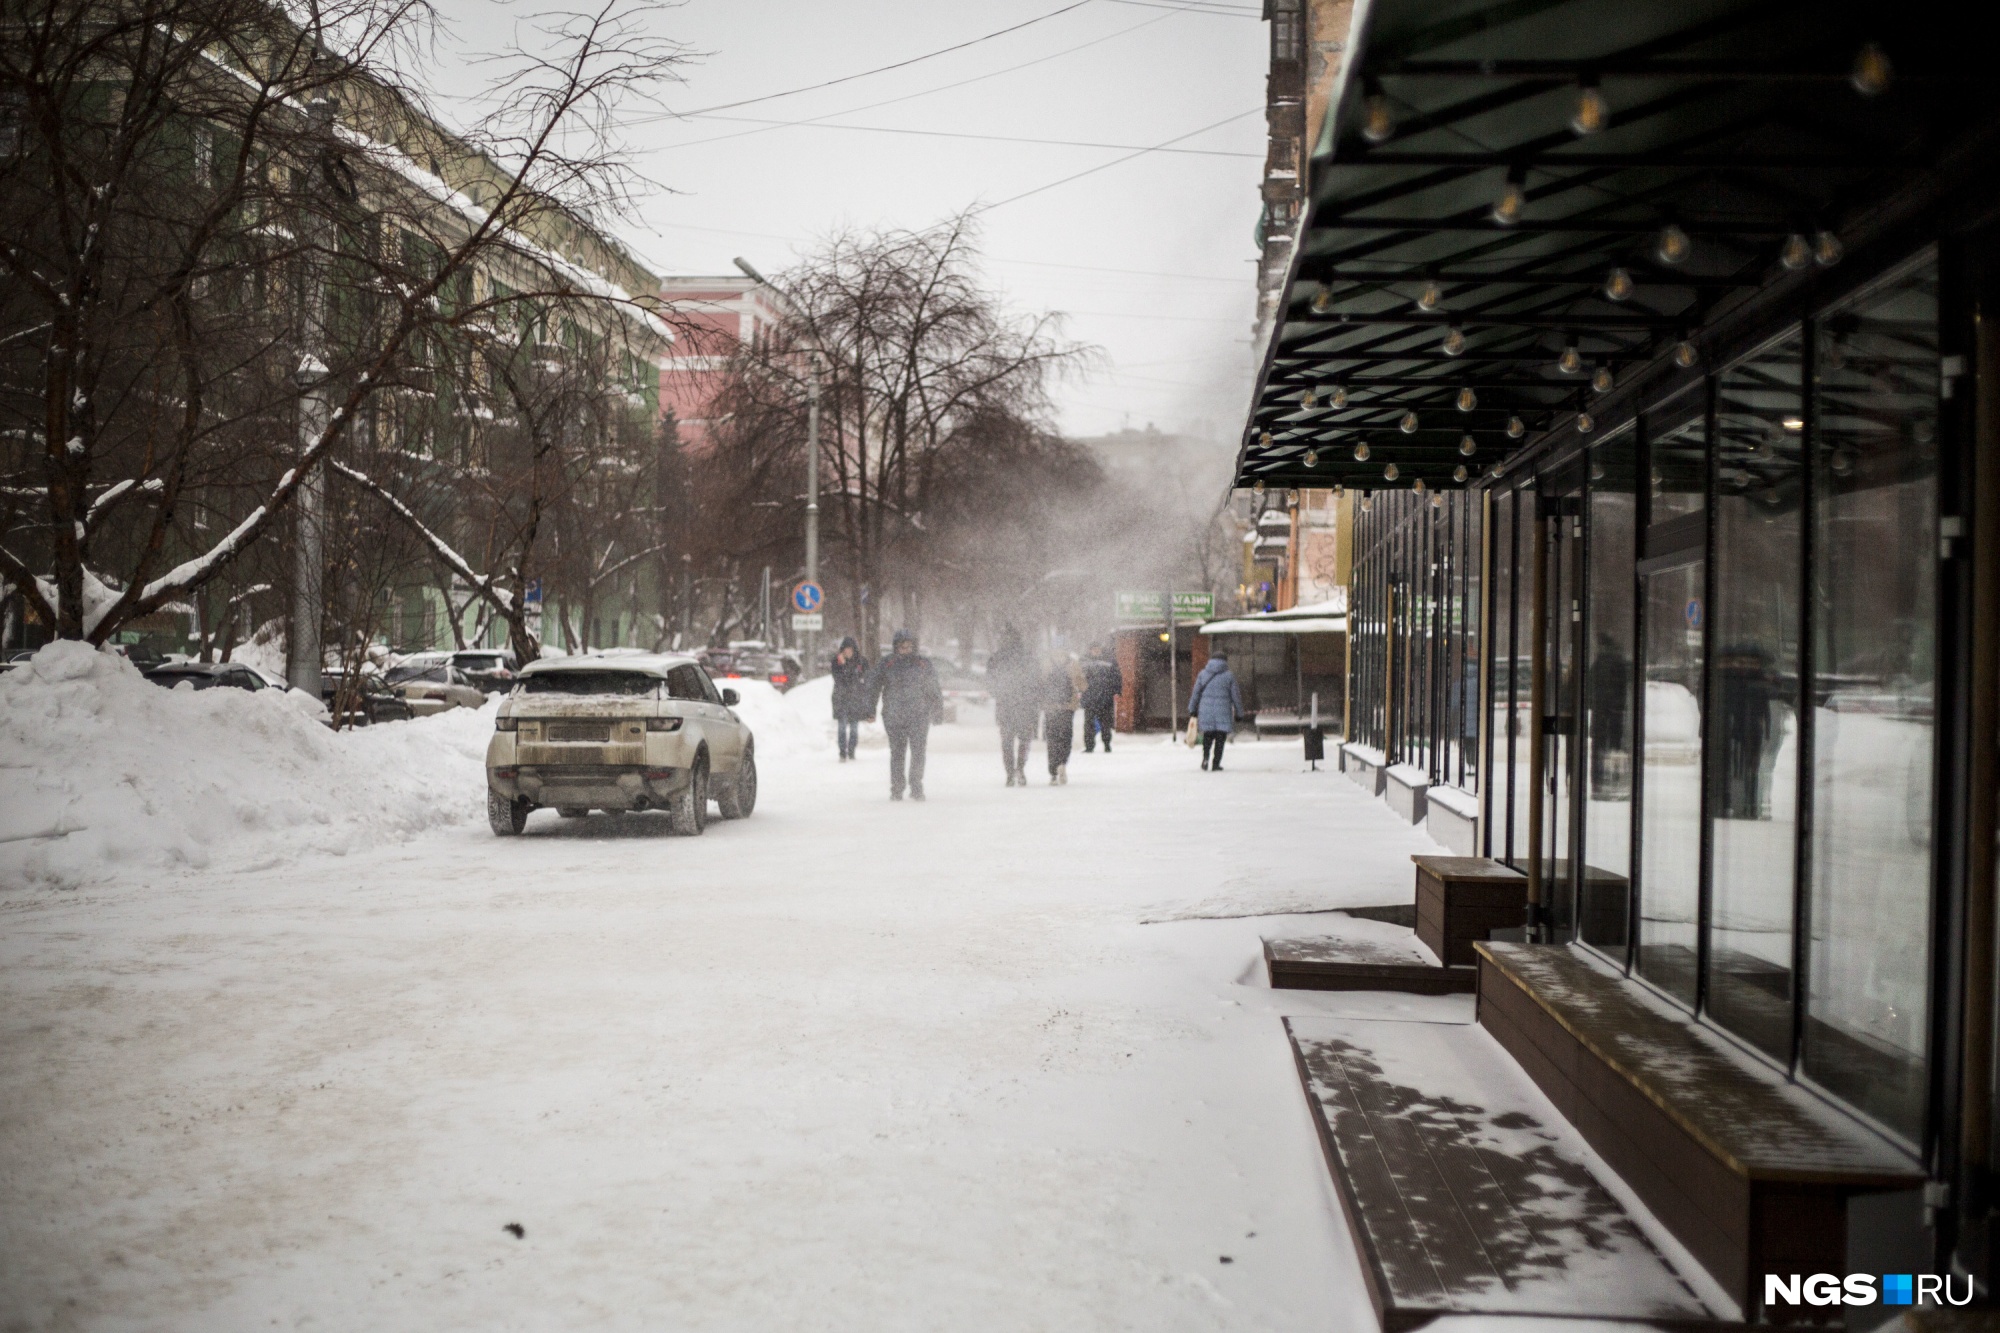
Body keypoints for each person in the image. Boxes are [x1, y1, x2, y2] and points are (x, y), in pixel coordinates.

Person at [867, 628, 944, 801]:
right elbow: (874, 687)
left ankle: (916, 786)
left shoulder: (923, 664)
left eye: (909, 647)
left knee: (918, 752)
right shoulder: (886, 664)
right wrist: (870, 710)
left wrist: (937, 710)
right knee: (897, 753)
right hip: (894, 716)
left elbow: (933, 688)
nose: (906, 651)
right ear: (896, 647)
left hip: (919, 715)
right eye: (902, 647)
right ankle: (897, 788)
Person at [988, 626, 1041, 787]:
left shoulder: (997, 658)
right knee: (1024, 740)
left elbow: (990, 680)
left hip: (1005, 704)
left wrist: (998, 693)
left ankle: (1010, 772)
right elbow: (1037, 680)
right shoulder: (1028, 657)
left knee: (1007, 741)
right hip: (1025, 704)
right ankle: (1020, 768)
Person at [1188, 650, 1242, 772]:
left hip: (1205, 711)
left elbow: (1195, 693)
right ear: (1225, 661)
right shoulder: (1229, 676)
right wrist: (1239, 713)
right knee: (1220, 738)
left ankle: (1205, 758)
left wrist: (1192, 709)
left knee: (1207, 736)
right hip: (1223, 711)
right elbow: (1236, 697)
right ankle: (1216, 763)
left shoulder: (1203, 674)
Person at [1042, 651, 1085, 785]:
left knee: (1052, 739)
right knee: (1065, 738)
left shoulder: (1046, 663)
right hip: (1068, 706)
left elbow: (1039, 684)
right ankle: (1062, 762)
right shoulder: (1074, 664)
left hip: (1050, 707)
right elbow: (1083, 686)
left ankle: (1053, 772)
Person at [829, 636, 869, 762]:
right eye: (846, 649)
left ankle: (851, 750)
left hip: (855, 699)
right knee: (841, 727)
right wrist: (843, 666)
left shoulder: (861, 662)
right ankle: (842, 752)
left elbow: (864, 678)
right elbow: (838, 678)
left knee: (854, 729)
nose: (848, 652)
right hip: (841, 699)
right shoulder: (837, 662)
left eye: (850, 649)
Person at [1080, 644, 1123, 754]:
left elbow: (1116, 676)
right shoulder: (1084, 661)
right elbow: (1079, 677)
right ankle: (1089, 746)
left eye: (1097, 649)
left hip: (1105, 698)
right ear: (1090, 650)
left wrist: (1117, 691)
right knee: (1089, 725)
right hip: (1090, 698)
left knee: (1105, 724)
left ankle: (1107, 744)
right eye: (1093, 649)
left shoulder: (1109, 660)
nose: (1095, 651)